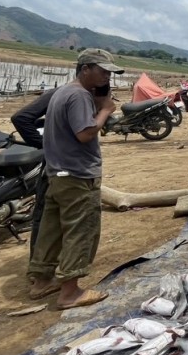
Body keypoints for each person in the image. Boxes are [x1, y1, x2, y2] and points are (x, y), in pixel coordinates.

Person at [26, 48, 122, 309]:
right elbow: (85, 133)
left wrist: (101, 94)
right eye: (102, 71)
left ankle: (41, 281)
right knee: (81, 231)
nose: (106, 77)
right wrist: (105, 110)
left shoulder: (64, 91)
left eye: (109, 73)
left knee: (52, 229)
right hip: (78, 175)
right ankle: (69, 292)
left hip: (58, 173)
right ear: (85, 69)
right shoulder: (79, 96)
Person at [10, 86, 59, 250]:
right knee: (45, 212)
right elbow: (20, 118)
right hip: (55, 166)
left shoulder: (83, 95)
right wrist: (44, 144)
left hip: (76, 168)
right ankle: (38, 263)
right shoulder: (62, 93)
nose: (106, 78)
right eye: (103, 72)